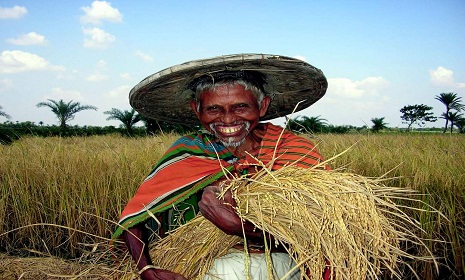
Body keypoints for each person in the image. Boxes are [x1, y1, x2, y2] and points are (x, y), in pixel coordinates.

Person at [113, 54, 330, 280]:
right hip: (196, 263)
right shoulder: (190, 150)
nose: (227, 120)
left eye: (241, 107)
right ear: (197, 110)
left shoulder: (291, 151)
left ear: (262, 106)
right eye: (214, 109)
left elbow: (324, 231)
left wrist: (238, 227)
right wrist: (146, 269)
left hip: (286, 264)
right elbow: (135, 216)